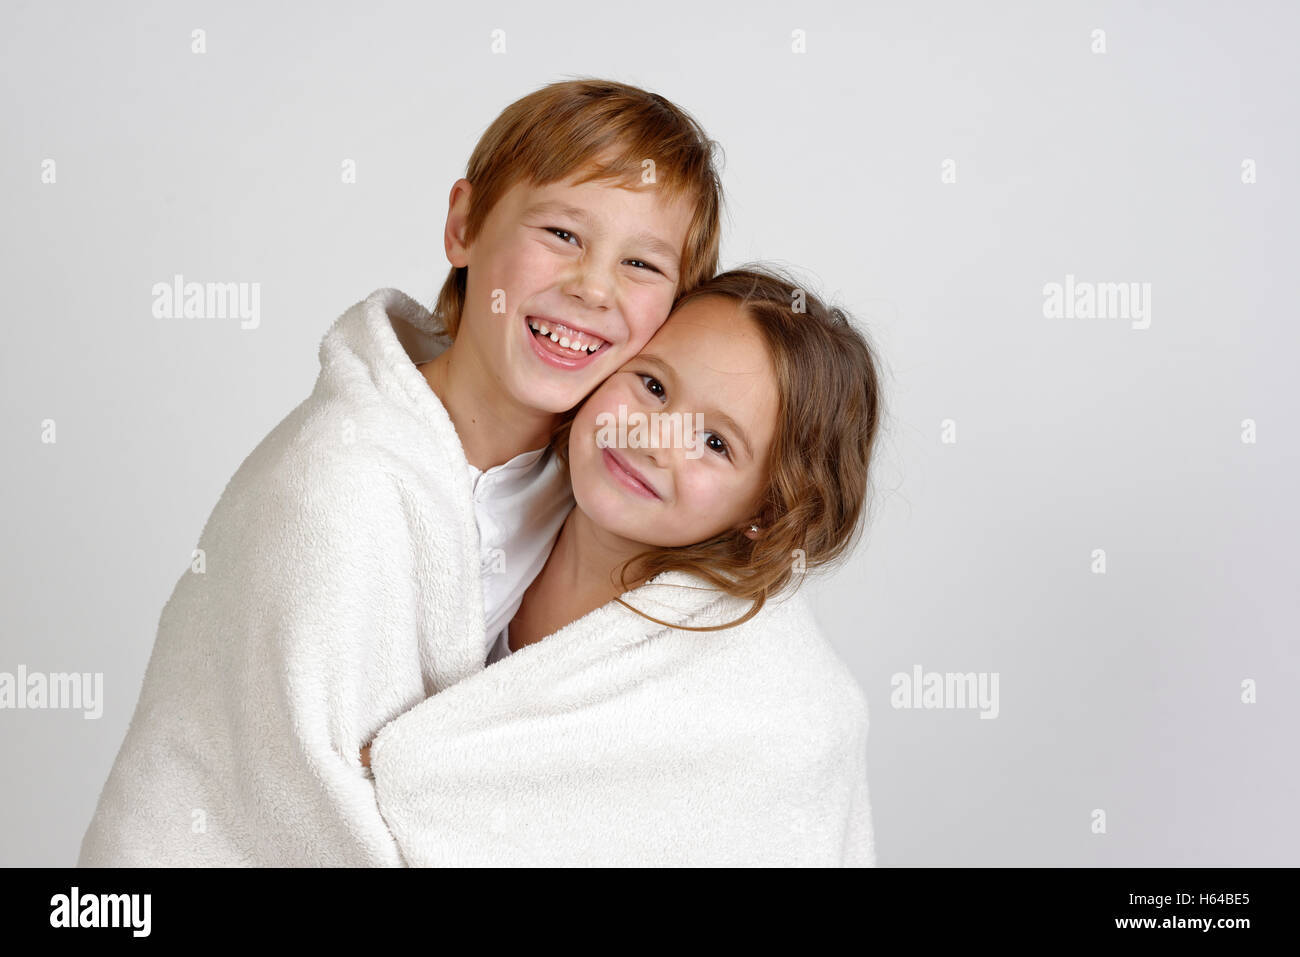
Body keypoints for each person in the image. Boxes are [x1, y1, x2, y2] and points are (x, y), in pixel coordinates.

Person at [76, 77, 725, 866]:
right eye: (561, 232)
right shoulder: (338, 483)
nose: (593, 286)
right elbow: (303, 791)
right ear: (464, 225)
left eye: (642, 264)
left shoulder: (600, 483)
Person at [364, 266, 886, 866]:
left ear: (767, 511)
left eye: (715, 443)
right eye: (654, 386)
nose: (653, 438)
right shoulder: (472, 497)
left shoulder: (770, 718)